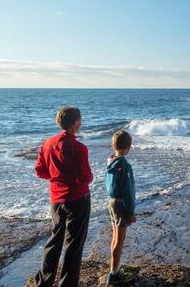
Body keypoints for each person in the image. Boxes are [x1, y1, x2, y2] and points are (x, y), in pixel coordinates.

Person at [32, 105, 93, 287]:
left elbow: (40, 170)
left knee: (55, 238)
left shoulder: (47, 143)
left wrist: (57, 178)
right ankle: (67, 284)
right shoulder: (79, 147)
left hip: (56, 199)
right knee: (74, 244)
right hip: (77, 198)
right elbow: (86, 177)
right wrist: (79, 179)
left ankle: (44, 281)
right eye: (80, 120)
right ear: (75, 122)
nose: (80, 123)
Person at [105, 129, 137, 285]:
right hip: (121, 205)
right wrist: (130, 212)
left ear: (113, 145)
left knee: (115, 236)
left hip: (111, 201)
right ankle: (114, 274)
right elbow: (128, 191)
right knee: (120, 238)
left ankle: (115, 267)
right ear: (129, 146)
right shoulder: (124, 165)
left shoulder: (111, 161)